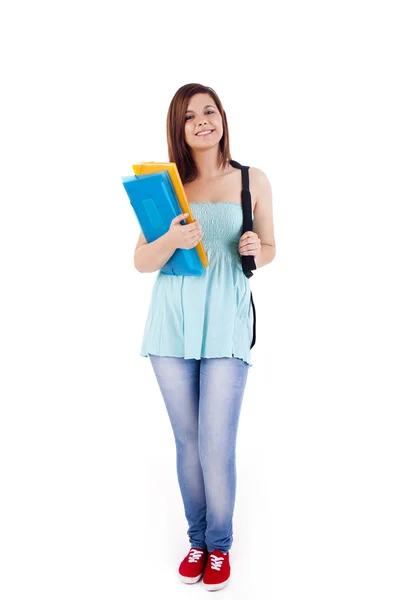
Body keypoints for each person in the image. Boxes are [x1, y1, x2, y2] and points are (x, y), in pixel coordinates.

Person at [134, 83, 276, 591]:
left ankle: (220, 544)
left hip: (226, 322)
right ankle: (197, 540)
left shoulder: (251, 179)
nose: (201, 121)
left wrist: (258, 245)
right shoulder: (166, 186)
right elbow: (141, 260)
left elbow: (270, 247)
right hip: (171, 324)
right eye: (190, 116)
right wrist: (171, 238)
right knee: (188, 440)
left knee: (217, 444)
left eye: (209, 111)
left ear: (222, 118)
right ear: (180, 127)